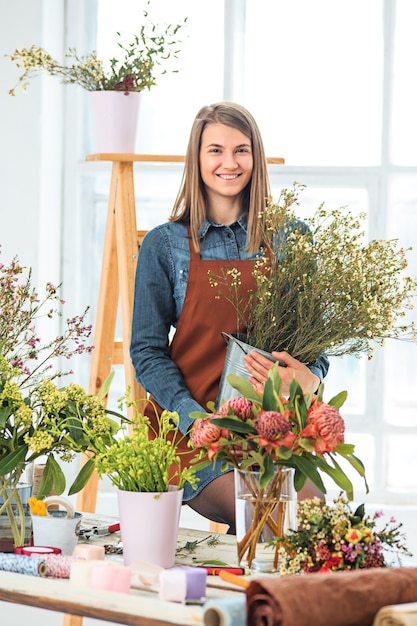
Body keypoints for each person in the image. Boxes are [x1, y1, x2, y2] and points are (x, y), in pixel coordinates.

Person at [130, 101, 329, 533]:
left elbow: (316, 346)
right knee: (265, 513)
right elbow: (146, 352)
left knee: (316, 517)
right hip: (193, 431)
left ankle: (277, 600)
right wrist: (192, 417)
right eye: (215, 150)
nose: (229, 163)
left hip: (272, 424)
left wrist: (308, 379)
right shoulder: (164, 245)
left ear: (255, 158)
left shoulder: (292, 239)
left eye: (241, 150)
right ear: (197, 158)